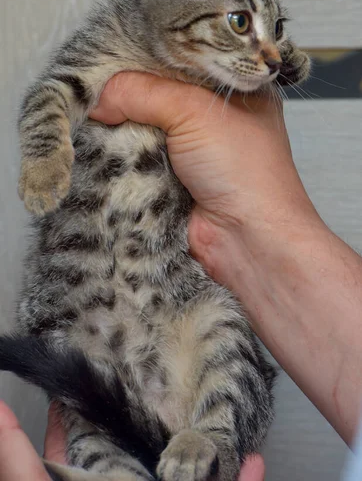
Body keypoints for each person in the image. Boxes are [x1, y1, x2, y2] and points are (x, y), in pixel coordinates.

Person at [1, 72, 361, 480]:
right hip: (96, 327)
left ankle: (210, 439)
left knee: (216, 325)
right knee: (83, 393)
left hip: (173, 327)